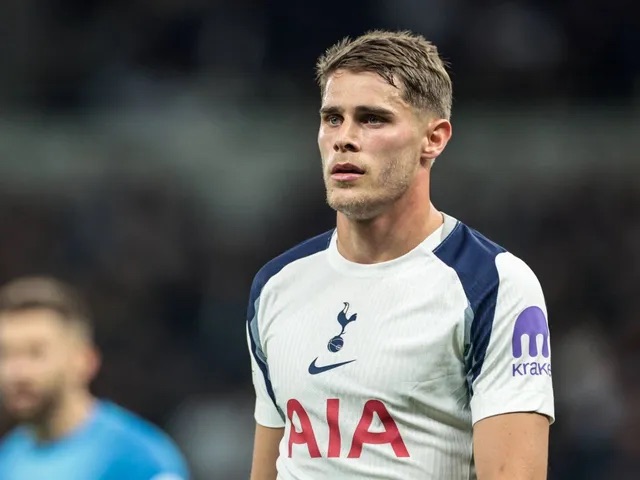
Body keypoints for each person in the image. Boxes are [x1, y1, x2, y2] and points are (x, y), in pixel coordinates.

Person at [245, 30, 554, 479]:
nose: (344, 138)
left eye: (372, 119)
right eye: (332, 118)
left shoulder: (494, 283)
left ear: (434, 138)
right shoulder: (276, 285)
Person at [0, 275, 190, 480]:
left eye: (35, 353)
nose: (17, 372)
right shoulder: (8, 459)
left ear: (84, 361)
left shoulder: (138, 459)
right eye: (5, 354)